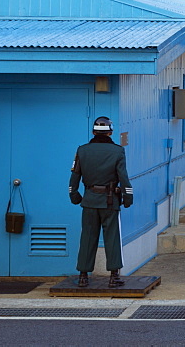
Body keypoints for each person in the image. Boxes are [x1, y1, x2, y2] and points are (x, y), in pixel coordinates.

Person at [69, 116, 133, 288]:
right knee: (112, 238)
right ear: (110, 132)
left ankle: (83, 276)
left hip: (89, 200)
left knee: (88, 237)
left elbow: (75, 175)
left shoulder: (82, 150)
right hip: (110, 201)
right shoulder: (118, 151)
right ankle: (113, 276)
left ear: (93, 132)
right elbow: (123, 177)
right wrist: (128, 197)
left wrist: (74, 195)